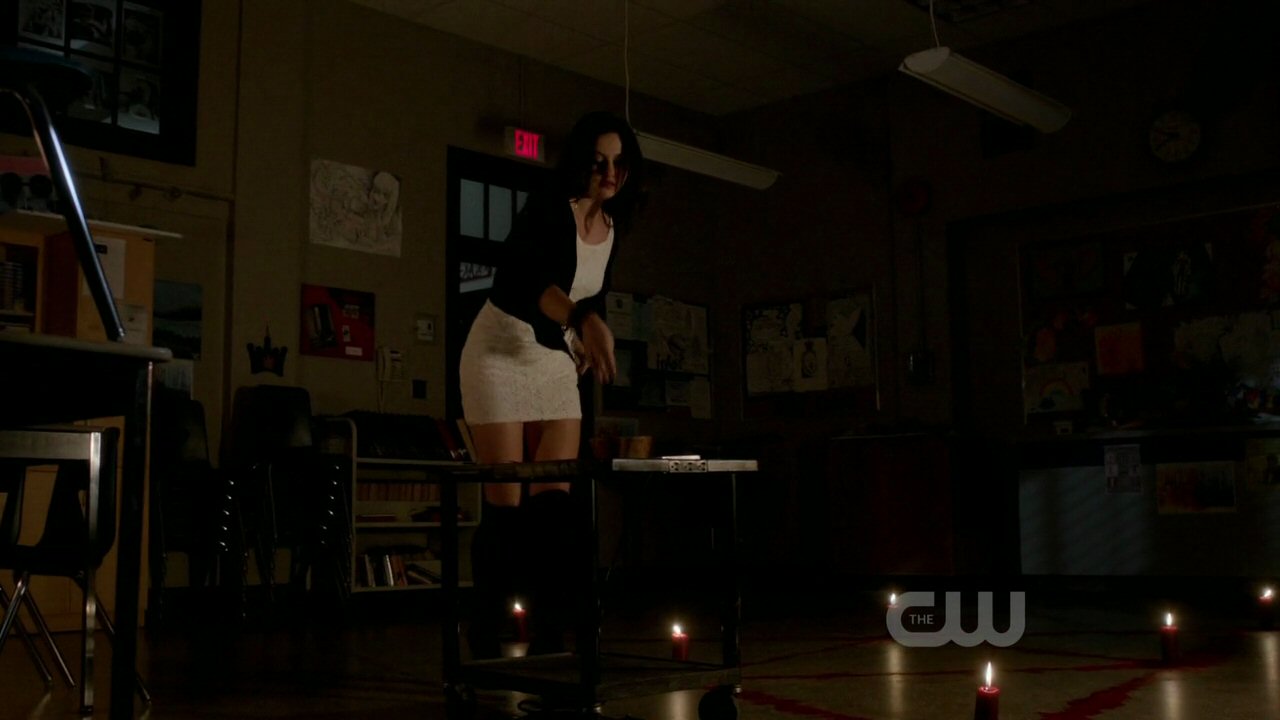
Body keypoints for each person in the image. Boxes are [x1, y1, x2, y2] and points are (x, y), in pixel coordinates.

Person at [459, 110, 644, 657]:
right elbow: (529, 284)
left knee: (555, 503)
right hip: (499, 350)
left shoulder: (612, 229)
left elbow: (587, 294)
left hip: (551, 357)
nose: (609, 174)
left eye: (618, 164)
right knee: (507, 501)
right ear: (580, 162)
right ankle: (485, 629)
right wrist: (583, 321)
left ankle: (550, 627)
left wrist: (582, 337)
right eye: (599, 162)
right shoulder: (547, 208)